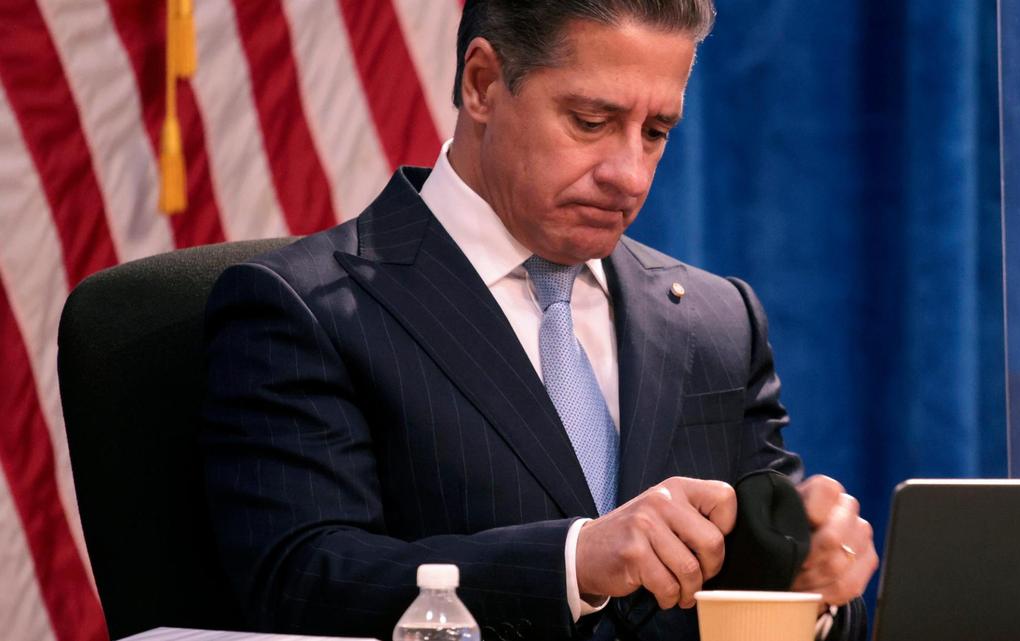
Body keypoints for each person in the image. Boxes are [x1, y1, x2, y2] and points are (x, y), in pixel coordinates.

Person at [200, 1, 878, 639]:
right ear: (483, 84)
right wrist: (574, 561)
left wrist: (815, 583)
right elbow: (296, 580)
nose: (630, 174)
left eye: (656, 132)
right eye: (590, 121)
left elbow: (778, 570)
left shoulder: (717, 321)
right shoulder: (307, 308)